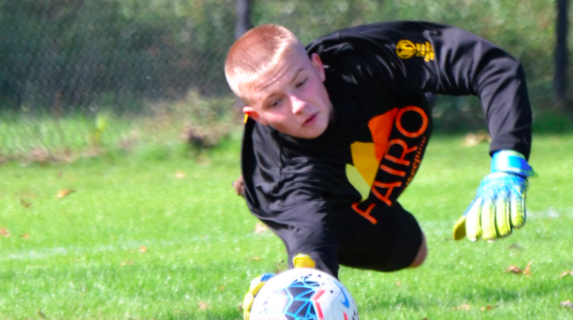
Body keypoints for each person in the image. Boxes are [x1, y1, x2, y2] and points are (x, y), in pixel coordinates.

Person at [224, 20, 534, 319]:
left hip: (363, 157)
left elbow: (492, 66)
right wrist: (290, 297)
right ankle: (277, 289)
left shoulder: (365, 59)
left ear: (318, 68)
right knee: (334, 272)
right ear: (257, 116)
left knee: (416, 252)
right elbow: (315, 269)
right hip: (302, 191)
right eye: (275, 102)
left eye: (301, 83)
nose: (298, 105)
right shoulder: (291, 185)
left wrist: (508, 162)